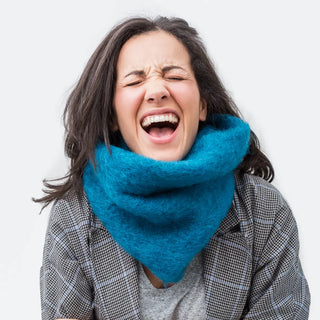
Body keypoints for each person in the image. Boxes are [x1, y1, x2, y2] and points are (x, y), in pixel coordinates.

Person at [36, 16, 310, 320]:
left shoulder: (263, 210)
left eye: (175, 76)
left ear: (203, 105)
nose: (156, 91)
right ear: (112, 115)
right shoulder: (74, 216)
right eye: (135, 80)